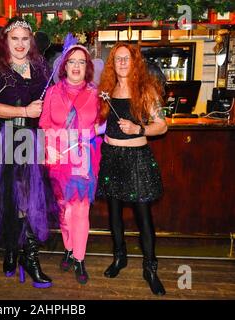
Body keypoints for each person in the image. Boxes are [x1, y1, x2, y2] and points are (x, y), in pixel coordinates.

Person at [0, 17, 59, 288]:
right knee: (11, 196)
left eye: (25, 38)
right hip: (3, 140)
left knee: (27, 198)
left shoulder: (40, 66)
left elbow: (50, 101)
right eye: (14, 38)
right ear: (5, 41)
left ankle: (22, 253)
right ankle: (20, 253)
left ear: (31, 41)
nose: (20, 44)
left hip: (32, 138)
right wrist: (24, 111)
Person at [96, 42, 167, 295]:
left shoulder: (145, 90)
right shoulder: (107, 89)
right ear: (112, 64)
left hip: (136, 158)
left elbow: (162, 125)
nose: (122, 63)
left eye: (127, 58)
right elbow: (105, 123)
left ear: (135, 62)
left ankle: (150, 268)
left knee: (143, 218)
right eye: (118, 59)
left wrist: (139, 129)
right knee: (114, 214)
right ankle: (119, 257)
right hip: (112, 156)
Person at [39, 45, 103, 284]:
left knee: (81, 209)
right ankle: (68, 247)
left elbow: (103, 125)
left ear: (87, 67)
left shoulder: (95, 94)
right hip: (58, 159)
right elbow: (45, 124)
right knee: (64, 210)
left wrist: (94, 132)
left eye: (81, 62)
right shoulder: (53, 92)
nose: (76, 66)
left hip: (84, 159)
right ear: (64, 66)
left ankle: (79, 257)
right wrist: (50, 151)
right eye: (72, 62)